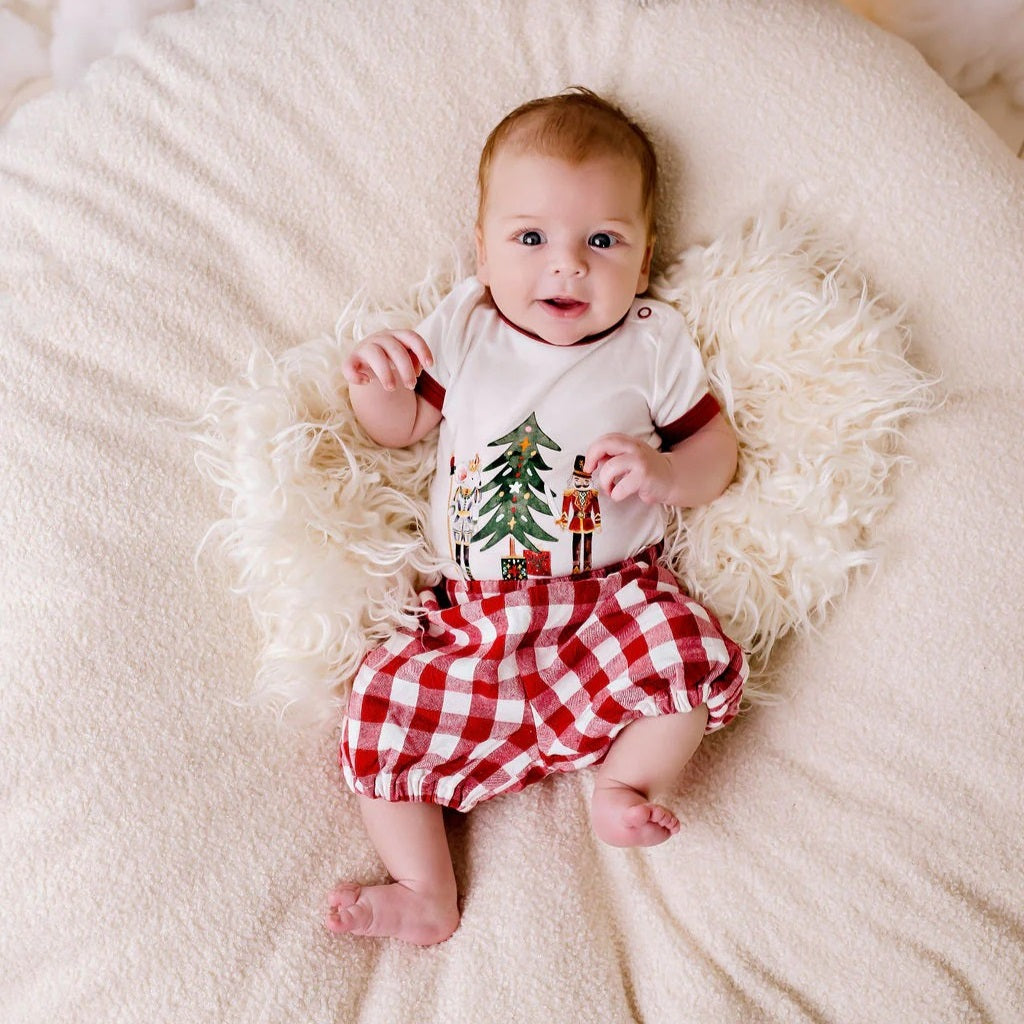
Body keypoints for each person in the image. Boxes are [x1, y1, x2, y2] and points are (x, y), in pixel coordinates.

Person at [326, 87, 748, 945]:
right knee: (381, 703)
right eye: (530, 239)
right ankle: (425, 889)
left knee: (685, 661)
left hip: (608, 603)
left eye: (602, 241)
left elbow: (718, 448)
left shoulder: (651, 342)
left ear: (644, 254)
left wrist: (669, 471)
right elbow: (405, 430)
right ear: (480, 249)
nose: (567, 267)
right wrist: (376, 387)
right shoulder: (467, 328)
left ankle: (624, 786)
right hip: (474, 617)